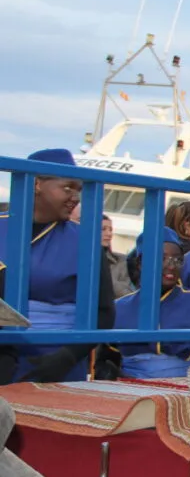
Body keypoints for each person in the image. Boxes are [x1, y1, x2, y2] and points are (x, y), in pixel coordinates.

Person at [0, 149, 117, 383]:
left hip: (59, 362)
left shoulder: (85, 241)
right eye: (67, 187)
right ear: (36, 184)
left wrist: (67, 357)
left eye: (79, 190)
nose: (75, 197)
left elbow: (104, 312)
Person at [97, 229, 190, 379]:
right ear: (141, 262)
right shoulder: (119, 307)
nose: (171, 266)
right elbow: (106, 361)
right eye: (162, 258)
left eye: (177, 259)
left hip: (185, 391)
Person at [101, 216, 134, 297]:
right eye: (103, 229)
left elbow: (127, 294)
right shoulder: (79, 259)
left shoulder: (122, 260)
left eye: (110, 230)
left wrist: (105, 278)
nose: (109, 234)